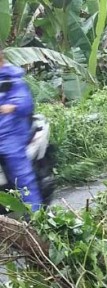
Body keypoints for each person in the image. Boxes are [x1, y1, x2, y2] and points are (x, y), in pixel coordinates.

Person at [0, 48, 43, 211]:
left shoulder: (12, 78)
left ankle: (35, 218)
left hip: (11, 135)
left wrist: (12, 107)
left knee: (22, 179)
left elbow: (25, 103)